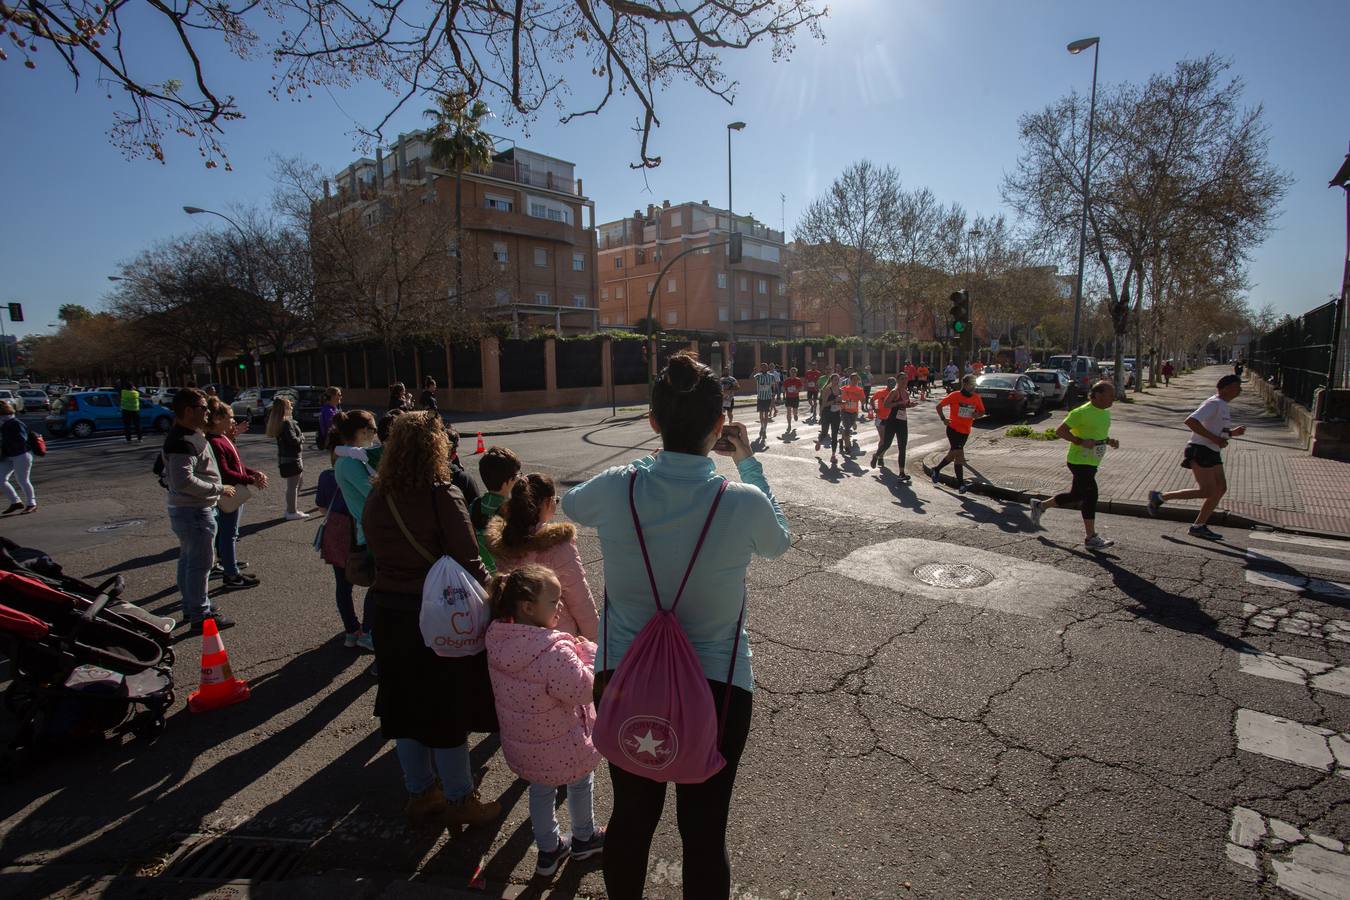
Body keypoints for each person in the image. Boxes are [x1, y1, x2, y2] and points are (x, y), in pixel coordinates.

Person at [562, 350, 790, 899]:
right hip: (719, 687)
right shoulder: (743, 500)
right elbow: (778, 543)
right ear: (719, 427)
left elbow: (571, 502)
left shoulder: (620, 486)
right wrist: (750, 462)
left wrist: (642, 465)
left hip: (624, 677)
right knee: (705, 831)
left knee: (632, 820)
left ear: (653, 422)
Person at [362, 411, 499, 827]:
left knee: (403, 707)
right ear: (436, 446)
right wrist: (496, 594)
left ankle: (420, 792)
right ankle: (460, 799)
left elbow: (372, 549)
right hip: (437, 615)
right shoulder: (442, 494)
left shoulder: (378, 495)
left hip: (388, 610)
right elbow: (469, 557)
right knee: (445, 708)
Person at [485, 565, 604, 876]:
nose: (560, 606)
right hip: (565, 742)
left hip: (526, 745)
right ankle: (584, 837)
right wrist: (589, 653)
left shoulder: (498, 640)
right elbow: (584, 690)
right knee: (580, 784)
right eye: (553, 601)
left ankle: (549, 850)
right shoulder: (553, 651)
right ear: (527, 607)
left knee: (540, 790)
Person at [485, 474, 599, 641]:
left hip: (519, 636)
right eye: (555, 500)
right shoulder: (558, 546)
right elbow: (580, 601)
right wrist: (596, 641)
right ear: (546, 503)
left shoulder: (505, 542)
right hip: (558, 637)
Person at [162, 389, 237, 633]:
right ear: (187, 411)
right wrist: (219, 488)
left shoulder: (192, 435)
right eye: (202, 408)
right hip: (193, 511)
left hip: (192, 509)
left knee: (189, 560)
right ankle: (199, 614)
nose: (207, 411)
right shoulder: (181, 441)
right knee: (200, 564)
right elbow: (183, 480)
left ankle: (192, 605)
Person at [1147, 374, 1246, 540]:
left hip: (1212, 450)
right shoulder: (1213, 403)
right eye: (1237, 387)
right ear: (1225, 388)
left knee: (1220, 488)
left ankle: (1199, 525)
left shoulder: (1223, 405)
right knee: (1206, 490)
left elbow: (1217, 431)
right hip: (1200, 450)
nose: (1240, 390)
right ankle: (1160, 497)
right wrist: (1215, 439)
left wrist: (1231, 433)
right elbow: (1191, 421)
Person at [1030, 381, 1120, 549]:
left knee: (1076, 495)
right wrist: (1079, 441)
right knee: (1091, 495)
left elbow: (1097, 435)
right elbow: (1060, 431)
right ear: (1098, 395)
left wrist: (1109, 441)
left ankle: (1040, 505)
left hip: (1092, 461)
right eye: (1110, 394)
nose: (1113, 397)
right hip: (1079, 461)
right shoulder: (1081, 412)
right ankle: (1091, 538)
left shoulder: (1105, 413)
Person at [317, 429, 373, 651]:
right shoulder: (358, 470)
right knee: (373, 579)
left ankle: (351, 630)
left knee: (343, 585)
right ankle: (368, 629)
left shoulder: (326, 477)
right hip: (355, 529)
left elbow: (322, 507)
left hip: (335, 531)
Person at [205, 399, 265, 587]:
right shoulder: (214, 441)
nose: (233, 421)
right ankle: (231, 574)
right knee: (228, 533)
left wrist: (252, 472)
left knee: (229, 533)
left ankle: (228, 563)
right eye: (230, 418)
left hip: (234, 491)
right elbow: (224, 472)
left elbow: (237, 465)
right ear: (217, 419)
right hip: (227, 493)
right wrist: (250, 480)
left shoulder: (223, 438)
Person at [332, 409, 380, 557]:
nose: (376, 434)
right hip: (373, 534)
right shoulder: (350, 462)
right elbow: (374, 495)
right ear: (363, 431)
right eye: (374, 429)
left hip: (372, 531)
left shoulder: (351, 455)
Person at [471, 446, 522, 574]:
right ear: (508, 481)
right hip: (504, 574)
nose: (519, 478)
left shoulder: (475, 505)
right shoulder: (513, 511)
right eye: (517, 475)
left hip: (480, 571)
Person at [931, 375, 986, 494]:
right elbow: (939, 406)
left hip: (965, 431)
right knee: (959, 454)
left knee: (954, 455)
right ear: (965, 384)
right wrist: (943, 419)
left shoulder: (976, 397)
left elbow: (982, 411)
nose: (973, 387)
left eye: (975, 385)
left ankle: (936, 469)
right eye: (971, 384)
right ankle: (961, 485)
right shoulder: (955, 395)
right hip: (953, 429)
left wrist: (978, 415)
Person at [267, 396, 308, 520]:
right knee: (293, 486)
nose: (292, 406)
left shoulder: (281, 422)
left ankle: (291, 509)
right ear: (285, 408)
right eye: (289, 405)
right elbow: (293, 440)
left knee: (297, 483)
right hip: (292, 457)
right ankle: (291, 511)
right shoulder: (287, 423)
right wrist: (302, 438)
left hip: (287, 457)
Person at [871, 376, 915, 476]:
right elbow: (886, 404)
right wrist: (899, 402)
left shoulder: (906, 393)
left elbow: (905, 405)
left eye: (906, 379)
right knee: (886, 444)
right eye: (902, 379)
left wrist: (910, 405)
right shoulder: (894, 392)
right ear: (898, 381)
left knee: (902, 447)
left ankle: (902, 472)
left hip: (902, 421)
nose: (904, 381)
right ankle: (876, 456)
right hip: (892, 421)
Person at [0, 401, 37, 515]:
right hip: (9, 455)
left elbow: (21, 440)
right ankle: (15, 502)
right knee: (0, 479)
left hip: (21, 454)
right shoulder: (3, 424)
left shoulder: (14, 423)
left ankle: (32, 504)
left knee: (23, 480)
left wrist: (5, 445)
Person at [814, 374, 844, 464]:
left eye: (838, 380)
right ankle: (819, 442)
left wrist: (843, 403)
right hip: (827, 413)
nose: (837, 381)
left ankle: (833, 455)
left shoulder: (839, 390)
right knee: (825, 433)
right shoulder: (827, 389)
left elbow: (839, 402)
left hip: (836, 414)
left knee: (835, 435)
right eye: (835, 380)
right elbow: (824, 404)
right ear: (831, 380)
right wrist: (835, 400)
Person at [839, 373, 867, 456]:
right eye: (853, 379)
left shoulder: (860, 390)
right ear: (850, 380)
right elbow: (839, 398)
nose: (855, 381)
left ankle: (841, 440)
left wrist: (861, 397)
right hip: (845, 411)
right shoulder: (844, 388)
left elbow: (863, 402)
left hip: (854, 412)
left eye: (856, 379)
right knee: (847, 428)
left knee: (848, 428)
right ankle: (847, 447)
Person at [752, 362, 774, 444]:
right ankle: (762, 426)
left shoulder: (771, 376)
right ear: (761, 368)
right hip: (760, 397)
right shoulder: (758, 376)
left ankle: (764, 430)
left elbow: (773, 386)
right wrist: (754, 372)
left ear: (767, 368)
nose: (764, 368)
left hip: (768, 397)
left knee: (766, 414)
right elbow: (751, 377)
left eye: (765, 367)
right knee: (761, 414)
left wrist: (773, 396)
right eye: (762, 367)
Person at [781, 367, 803, 436]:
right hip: (788, 398)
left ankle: (795, 415)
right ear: (790, 373)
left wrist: (798, 390)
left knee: (795, 411)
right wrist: (785, 390)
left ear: (796, 373)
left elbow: (802, 387)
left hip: (795, 398)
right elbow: (783, 388)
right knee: (788, 412)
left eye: (794, 372)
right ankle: (789, 424)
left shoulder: (798, 380)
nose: (793, 373)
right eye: (792, 372)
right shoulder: (787, 380)